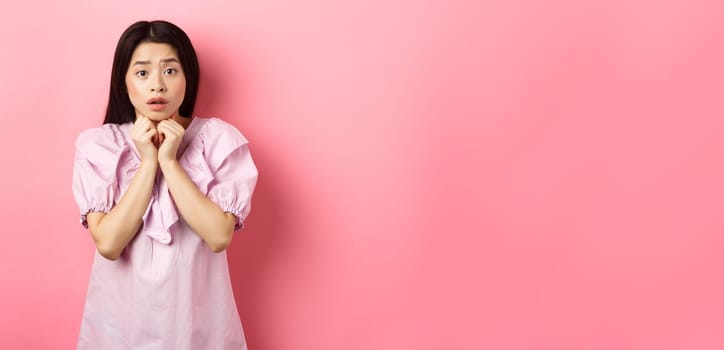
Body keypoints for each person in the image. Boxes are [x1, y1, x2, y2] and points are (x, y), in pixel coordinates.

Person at [71, 20, 258, 349]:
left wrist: (170, 162)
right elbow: (109, 243)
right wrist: (148, 162)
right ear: (124, 81)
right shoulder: (99, 146)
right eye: (142, 73)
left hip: (200, 325)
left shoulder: (219, 141)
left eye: (170, 71)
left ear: (188, 77)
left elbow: (218, 235)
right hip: (119, 326)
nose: (157, 85)